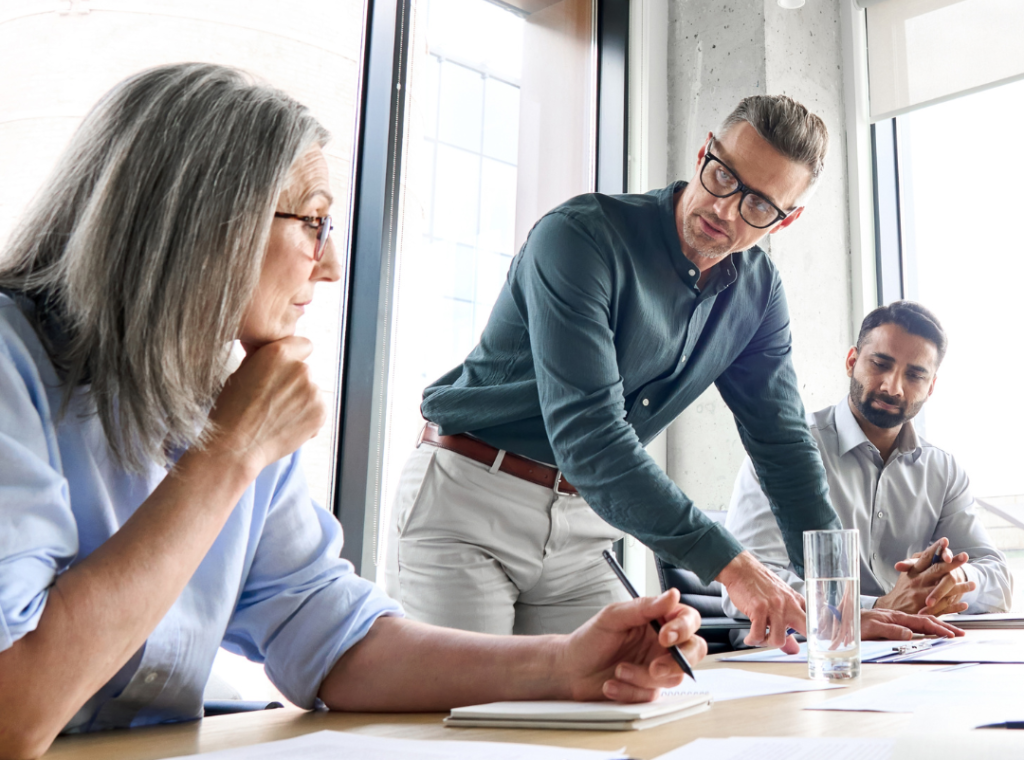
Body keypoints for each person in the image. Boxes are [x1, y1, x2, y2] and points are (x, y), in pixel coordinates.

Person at [0, 64, 708, 760]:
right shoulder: (16, 366)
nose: (331, 263)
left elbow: (331, 636)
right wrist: (229, 454)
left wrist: (562, 665)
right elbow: (13, 712)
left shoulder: (229, 395)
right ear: (206, 225)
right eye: (313, 222)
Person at [386, 95, 961, 650]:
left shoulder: (758, 294)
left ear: (786, 222)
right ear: (704, 153)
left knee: (627, 710)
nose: (725, 209)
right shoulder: (581, 237)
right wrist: (735, 567)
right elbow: (592, 437)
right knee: (468, 727)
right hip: (469, 500)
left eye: (759, 205)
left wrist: (842, 607)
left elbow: (784, 449)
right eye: (723, 177)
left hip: (582, 526)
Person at [723, 301, 1012, 620]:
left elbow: (998, 579)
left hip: (909, 649)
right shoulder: (783, 448)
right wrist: (875, 609)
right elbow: (749, 586)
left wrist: (956, 579)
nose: (893, 387)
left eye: (914, 375)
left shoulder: (943, 471)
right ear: (852, 361)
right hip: (801, 652)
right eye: (880, 364)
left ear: (931, 387)